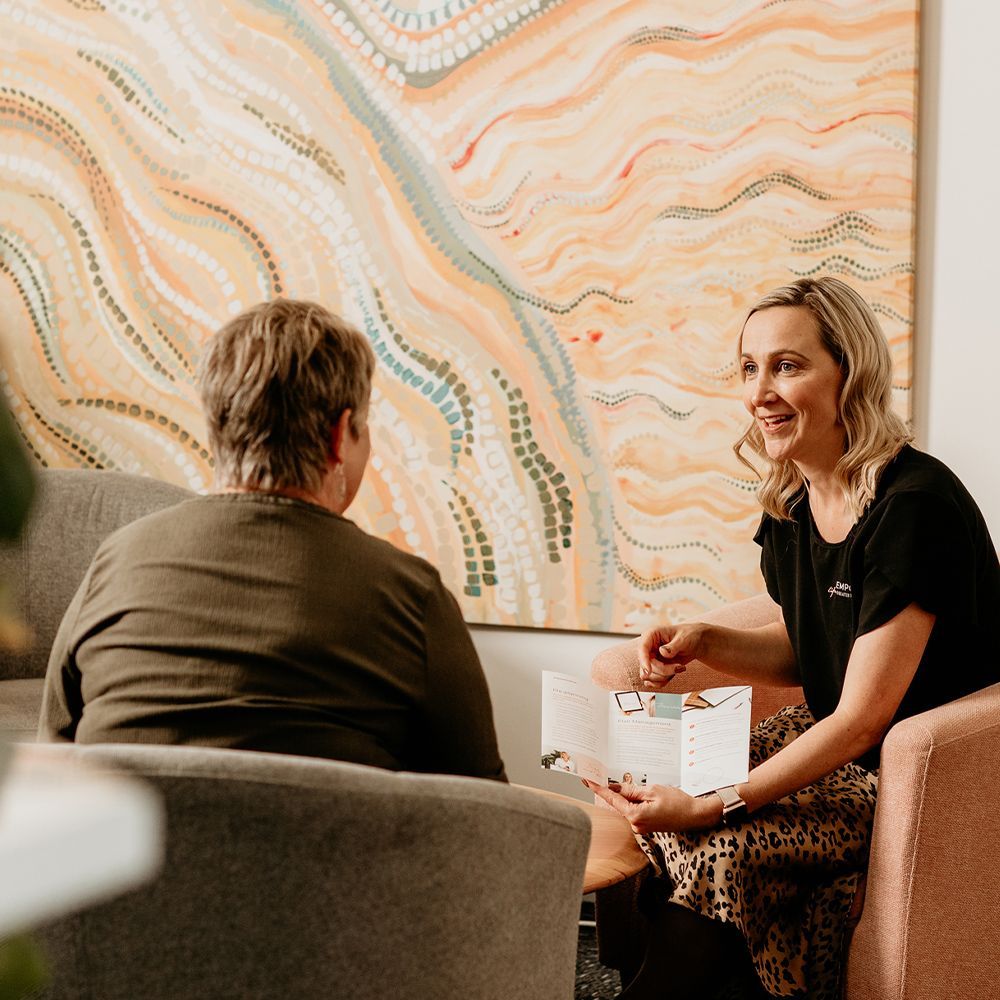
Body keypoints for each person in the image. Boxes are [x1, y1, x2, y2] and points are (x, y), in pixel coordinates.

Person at [588, 276, 999, 1000]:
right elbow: (808, 648)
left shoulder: (915, 508)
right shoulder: (792, 499)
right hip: (830, 738)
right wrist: (705, 640)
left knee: (716, 844)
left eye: (787, 365)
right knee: (655, 797)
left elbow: (862, 719)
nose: (760, 391)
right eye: (750, 368)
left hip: (904, 775)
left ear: (851, 371)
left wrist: (716, 804)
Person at [39, 298, 506, 782]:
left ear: (218, 426)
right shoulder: (412, 596)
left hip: (125, 857)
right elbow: (486, 809)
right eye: (364, 429)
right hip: (329, 857)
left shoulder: (117, 560)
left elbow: (52, 753)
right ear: (340, 435)